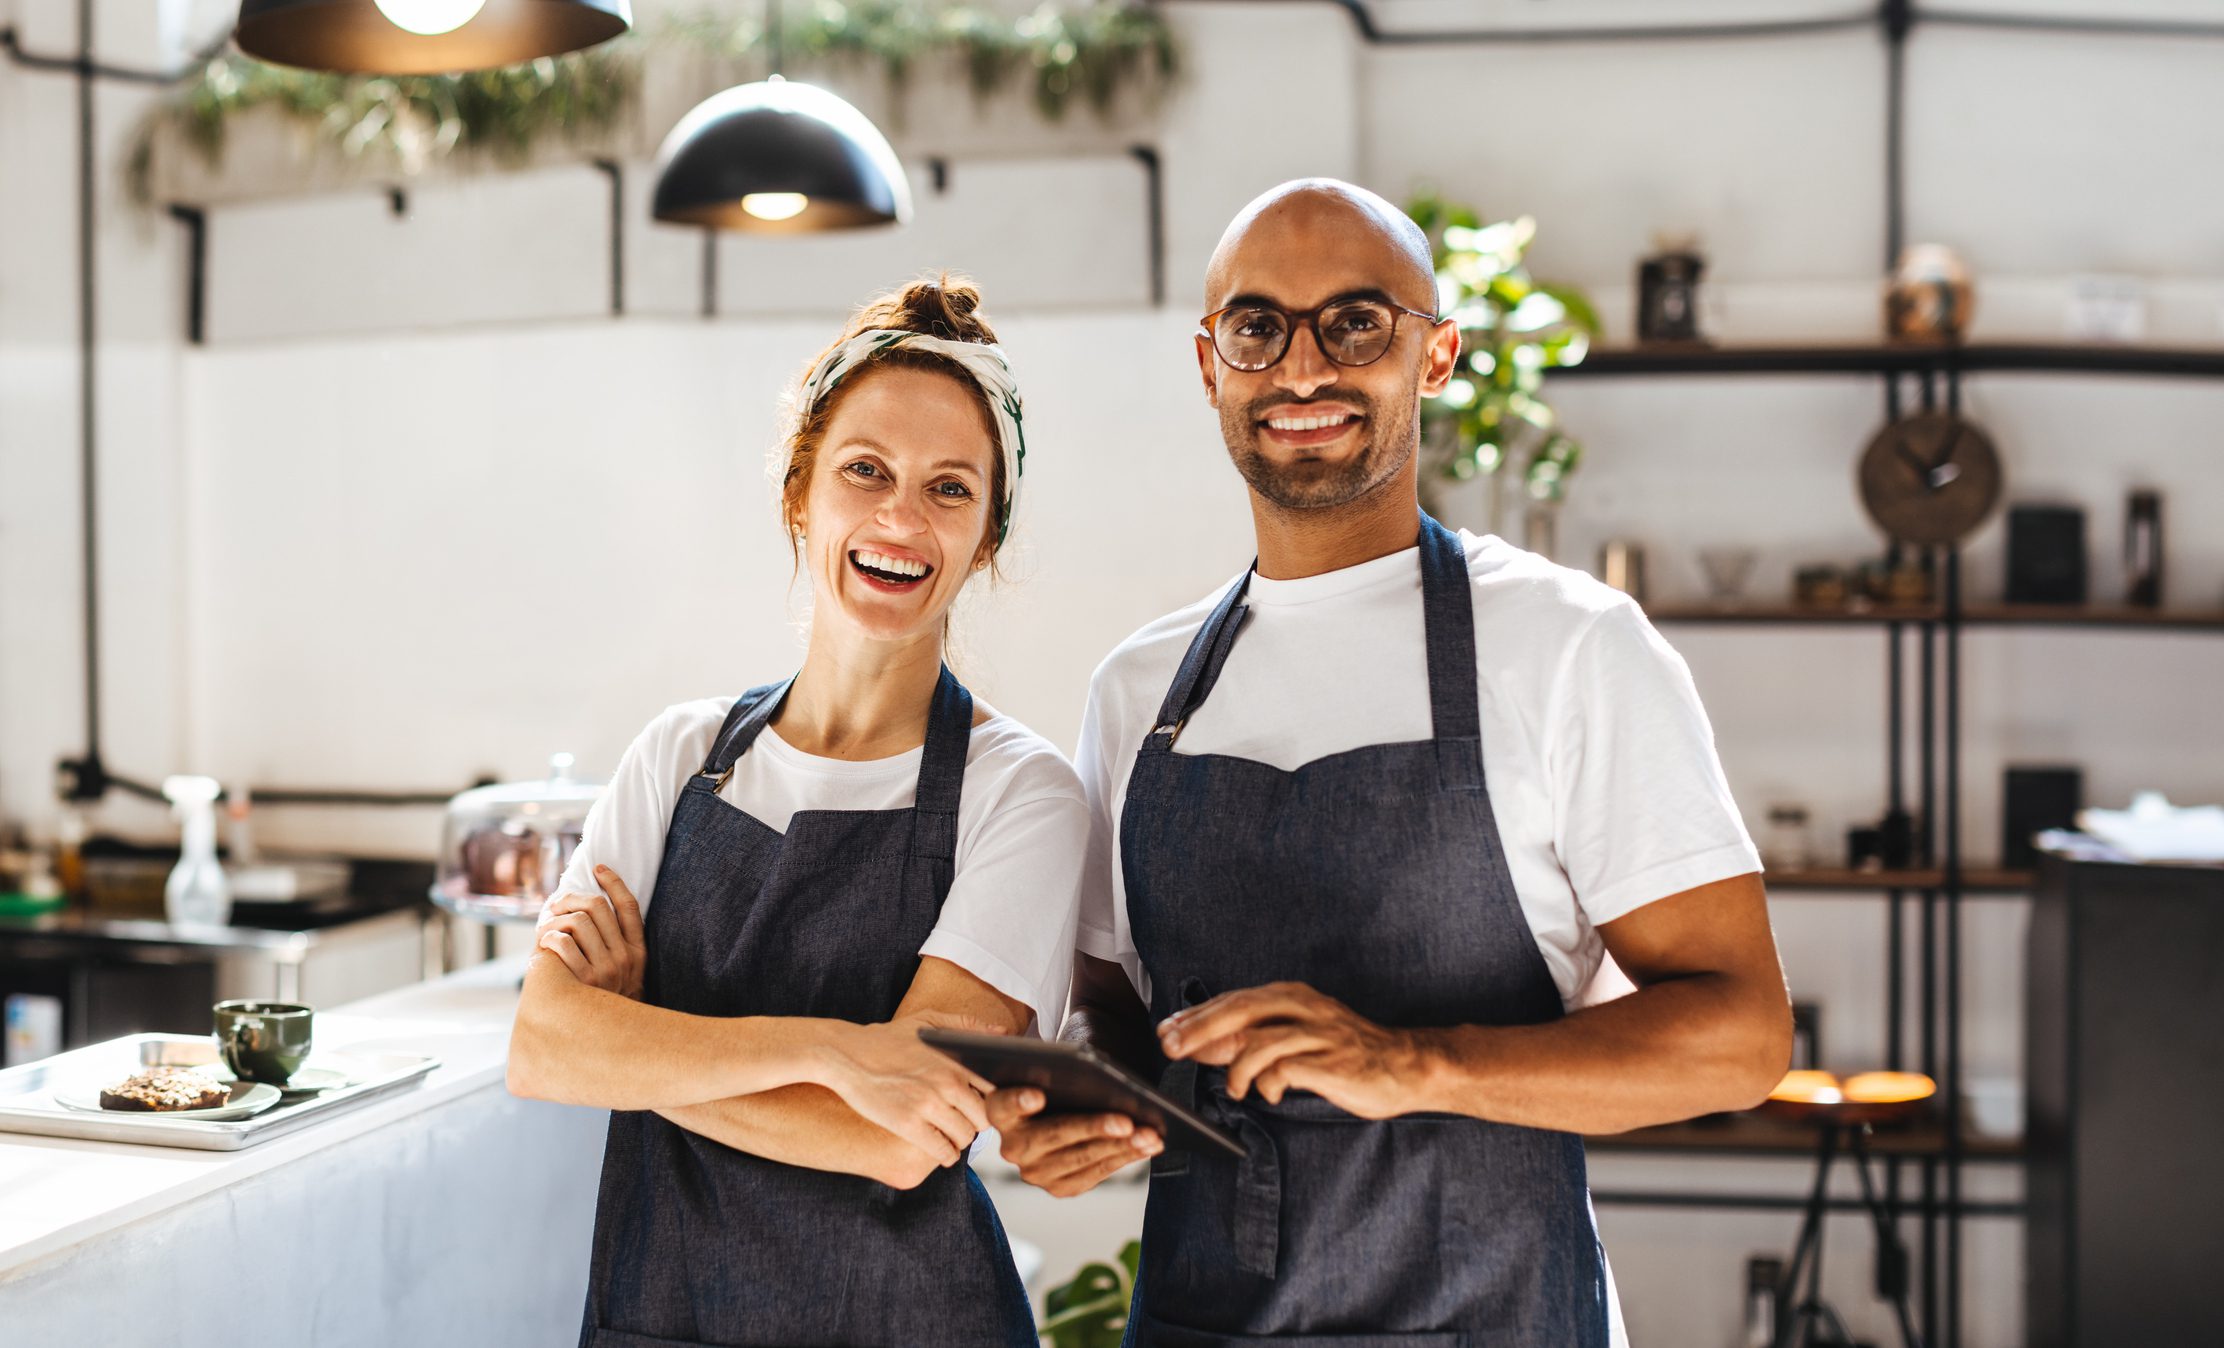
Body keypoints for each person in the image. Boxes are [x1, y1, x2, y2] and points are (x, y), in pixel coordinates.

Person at [988, 180, 1793, 1345]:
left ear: (1437, 356)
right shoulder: (1141, 689)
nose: (1302, 368)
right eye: (1259, 327)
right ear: (1210, 365)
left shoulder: (1568, 646)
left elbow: (1739, 1037)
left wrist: (1414, 1061)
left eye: (1356, 321)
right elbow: (1109, 1004)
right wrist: (1079, 1099)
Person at [507, 276, 1089, 1348]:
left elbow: (902, 1137)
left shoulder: (1022, 793)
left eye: (949, 489)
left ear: (987, 536)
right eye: (864, 471)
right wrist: (834, 1051)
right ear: (798, 492)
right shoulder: (680, 756)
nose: (901, 518)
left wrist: (639, 1047)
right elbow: (543, 1046)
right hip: (661, 1315)